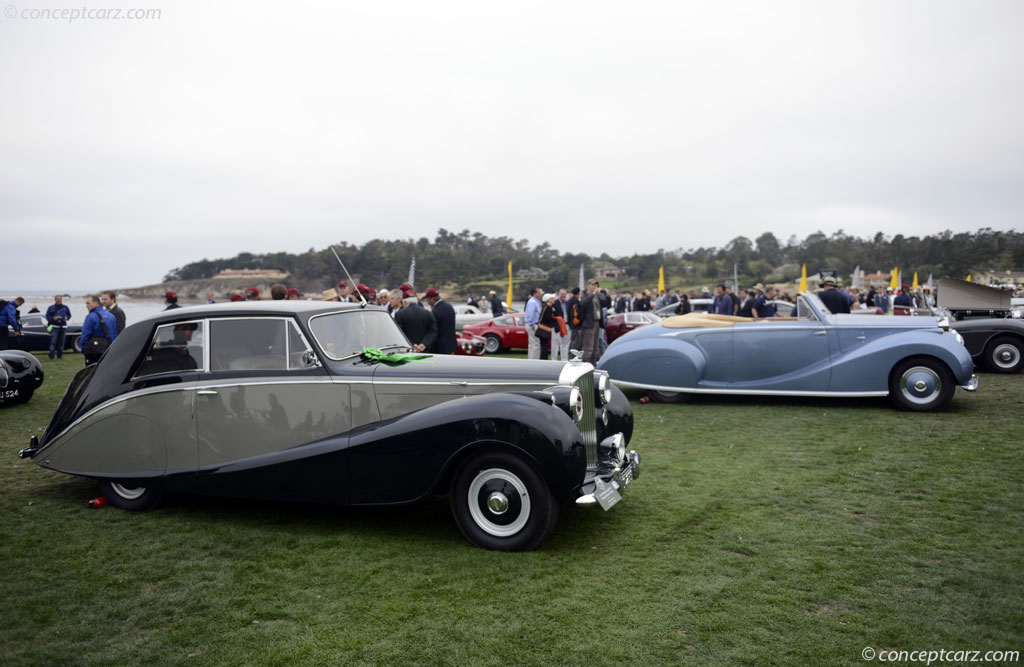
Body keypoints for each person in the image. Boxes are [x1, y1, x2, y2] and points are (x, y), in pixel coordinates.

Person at [394, 288, 437, 352]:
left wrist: (412, 345)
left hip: (407, 351)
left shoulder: (399, 314)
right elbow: (433, 332)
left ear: (405, 302)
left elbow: (398, 333)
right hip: (425, 351)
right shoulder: (429, 313)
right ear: (416, 301)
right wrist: (423, 344)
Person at [81, 294, 117, 366]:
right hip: (108, 349)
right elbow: (114, 334)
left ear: (96, 303)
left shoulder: (90, 317)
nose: (86, 306)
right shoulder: (111, 316)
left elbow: (85, 335)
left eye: (88, 303)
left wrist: (83, 349)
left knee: (92, 372)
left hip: (93, 351)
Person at [424, 288, 456, 354]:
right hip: (450, 343)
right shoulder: (449, 306)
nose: (427, 302)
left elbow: (434, 330)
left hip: (440, 346)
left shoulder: (435, 311)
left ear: (432, 298)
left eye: (427, 299)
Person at [578, 280, 602, 363]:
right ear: (588, 286)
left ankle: (593, 366)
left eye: (596, 285)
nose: (595, 286)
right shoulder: (586, 295)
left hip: (597, 322)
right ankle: (585, 366)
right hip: (588, 324)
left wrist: (604, 294)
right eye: (593, 285)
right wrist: (592, 294)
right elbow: (583, 304)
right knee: (588, 348)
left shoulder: (597, 296)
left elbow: (606, 303)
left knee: (595, 348)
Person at [46, 295, 72, 359]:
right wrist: (53, 319)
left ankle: (60, 356)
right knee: (53, 342)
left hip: (63, 326)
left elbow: (69, 315)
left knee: (62, 342)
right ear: (55, 299)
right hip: (55, 326)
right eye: (57, 299)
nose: (59, 300)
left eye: (60, 299)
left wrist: (67, 318)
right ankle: (51, 356)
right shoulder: (51, 307)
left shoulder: (65, 307)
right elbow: (47, 316)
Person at [524, 287, 544, 360]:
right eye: (539, 292)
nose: (541, 294)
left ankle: (531, 359)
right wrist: (531, 324)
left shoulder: (534, 301)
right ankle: (535, 360)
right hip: (533, 324)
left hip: (531, 324)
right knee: (536, 344)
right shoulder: (533, 302)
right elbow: (530, 314)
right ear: (535, 293)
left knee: (532, 344)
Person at [552, 289, 572, 361]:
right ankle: (554, 360)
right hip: (557, 326)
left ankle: (564, 360)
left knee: (566, 344)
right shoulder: (554, 303)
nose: (563, 296)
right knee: (555, 344)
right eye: (561, 294)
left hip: (566, 325)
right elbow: (553, 316)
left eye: (564, 294)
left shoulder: (568, 303)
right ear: (558, 294)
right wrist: (556, 326)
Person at [537, 293, 557, 360]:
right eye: (552, 298)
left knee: (544, 346)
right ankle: (543, 359)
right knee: (544, 347)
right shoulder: (548, 308)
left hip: (545, 328)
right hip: (545, 329)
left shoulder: (547, 307)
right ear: (548, 300)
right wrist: (555, 319)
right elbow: (548, 319)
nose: (553, 299)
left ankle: (543, 359)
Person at [567, 287, 582, 351]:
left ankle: (571, 353)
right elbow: (576, 314)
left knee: (572, 340)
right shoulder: (575, 301)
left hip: (571, 324)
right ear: (578, 293)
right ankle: (573, 355)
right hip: (575, 324)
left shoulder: (570, 300)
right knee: (575, 342)